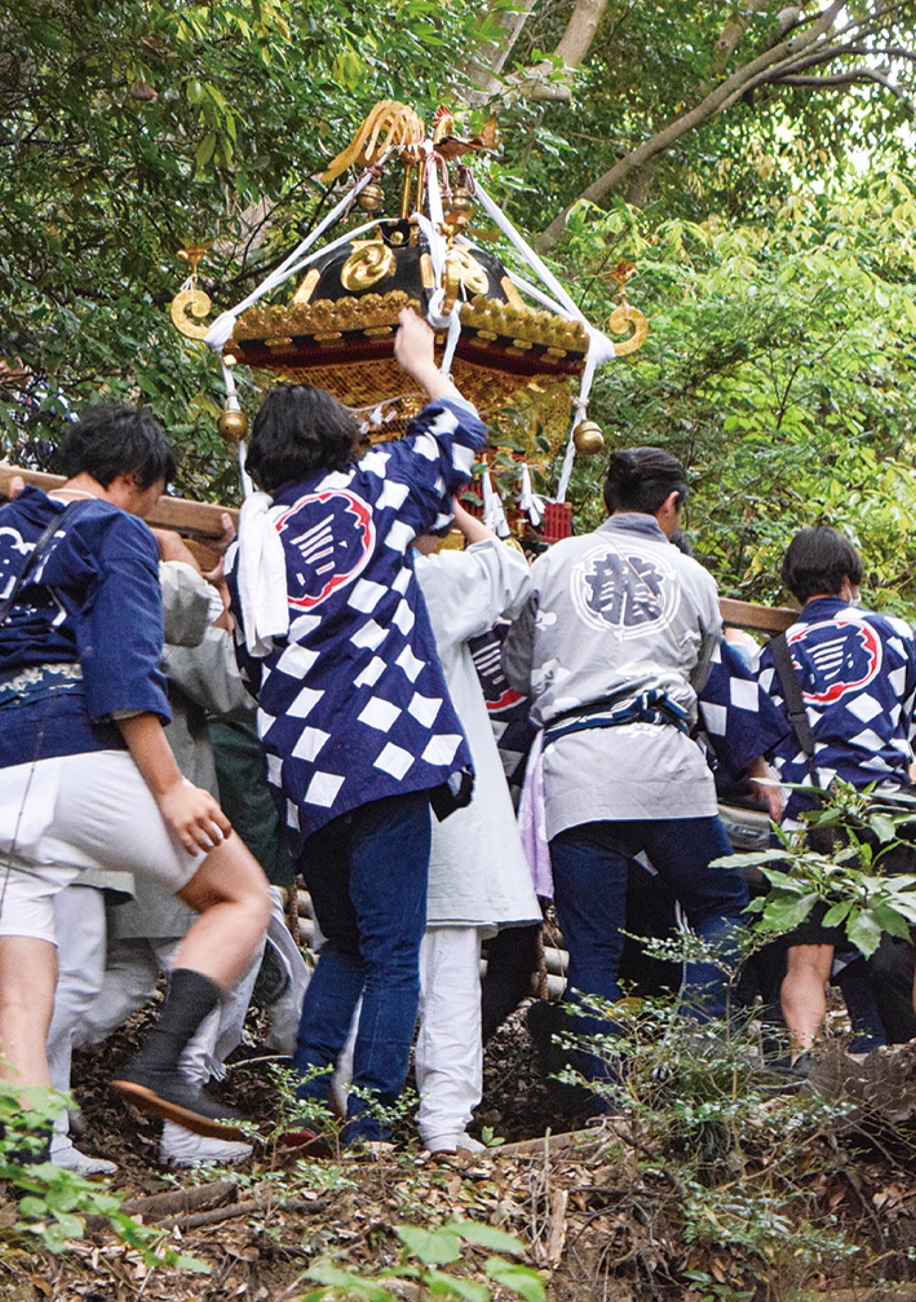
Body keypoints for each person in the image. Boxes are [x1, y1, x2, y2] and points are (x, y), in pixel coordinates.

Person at [0, 401, 271, 1146]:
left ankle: (23, 1176)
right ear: (131, 478)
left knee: (23, 1005)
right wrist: (170, 786)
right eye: (152, 494)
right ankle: (163, 1062)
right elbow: (125, 666)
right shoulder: (112, 527)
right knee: (242, 895)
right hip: (70, 763)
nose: (151, 508)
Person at [226, 308, 487, 1145]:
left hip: (305, 767)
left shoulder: (249, 546)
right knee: (392, 946)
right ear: (338, 441)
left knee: (342, 942)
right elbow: (459, 430)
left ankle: (308, 1108)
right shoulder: (369, 492)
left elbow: (246, 666)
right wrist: (420, 363)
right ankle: (372, 1120)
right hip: (388, 752)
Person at [502, 446, 749, 1089]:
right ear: (671, 505)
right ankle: (692, 1051)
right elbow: (700, 672)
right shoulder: (691, 575)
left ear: (606, 501)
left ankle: (603, 1103)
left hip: (579, 766)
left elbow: (516, 668)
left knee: (593, 949)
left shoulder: (554, 561)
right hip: (666, 761)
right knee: (722, 902)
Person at [411, 502, 541, 1154]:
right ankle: (442, 1122)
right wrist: (466, 512)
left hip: (352, 789)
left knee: (362, 954)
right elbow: (509, 566)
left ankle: (350, 1105)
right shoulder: (431, 581)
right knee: (451, 957)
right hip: (442, 792)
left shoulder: (335, 574)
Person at [758, 526, 916, 1053]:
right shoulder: (894, 634)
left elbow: (766, 742)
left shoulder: (773, 654)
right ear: (850, 579)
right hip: (885, 809)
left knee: (807, 960)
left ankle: (806, 1064)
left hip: (810, 816)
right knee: (906, 946)